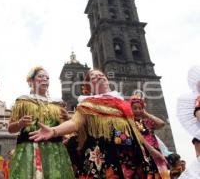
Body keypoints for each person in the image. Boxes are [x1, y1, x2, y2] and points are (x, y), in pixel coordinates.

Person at [30, 69, 167, 178]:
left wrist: (153, 151)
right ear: (89, 86)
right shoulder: (87, 104)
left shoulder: (122, 104)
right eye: (94, 77)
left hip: (129, 155)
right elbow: (75, 123)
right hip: (102, 155)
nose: (100, 77)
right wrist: (54, 131)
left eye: (101, 74)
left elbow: (134, 131)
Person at [8, 66, 74, 179]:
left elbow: (66, 128)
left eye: (47, 78)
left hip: (55, 150)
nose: (45, 79)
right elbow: (10, 129)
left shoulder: (57, 103)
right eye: (40, 76)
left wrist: (68, 118)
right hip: (30, 150)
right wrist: (20, 124)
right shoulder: (23, 101)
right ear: (31, 80)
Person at [130, 93, 170, 178]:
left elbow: (162, 123)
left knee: (161, 175)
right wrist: (152, 150)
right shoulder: (130, 124)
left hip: (156, 152)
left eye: (140, 108)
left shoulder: (147, 122)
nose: (138, 110)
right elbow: (138, 138)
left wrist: (147, 114)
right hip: (143, 153)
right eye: (135, 108)